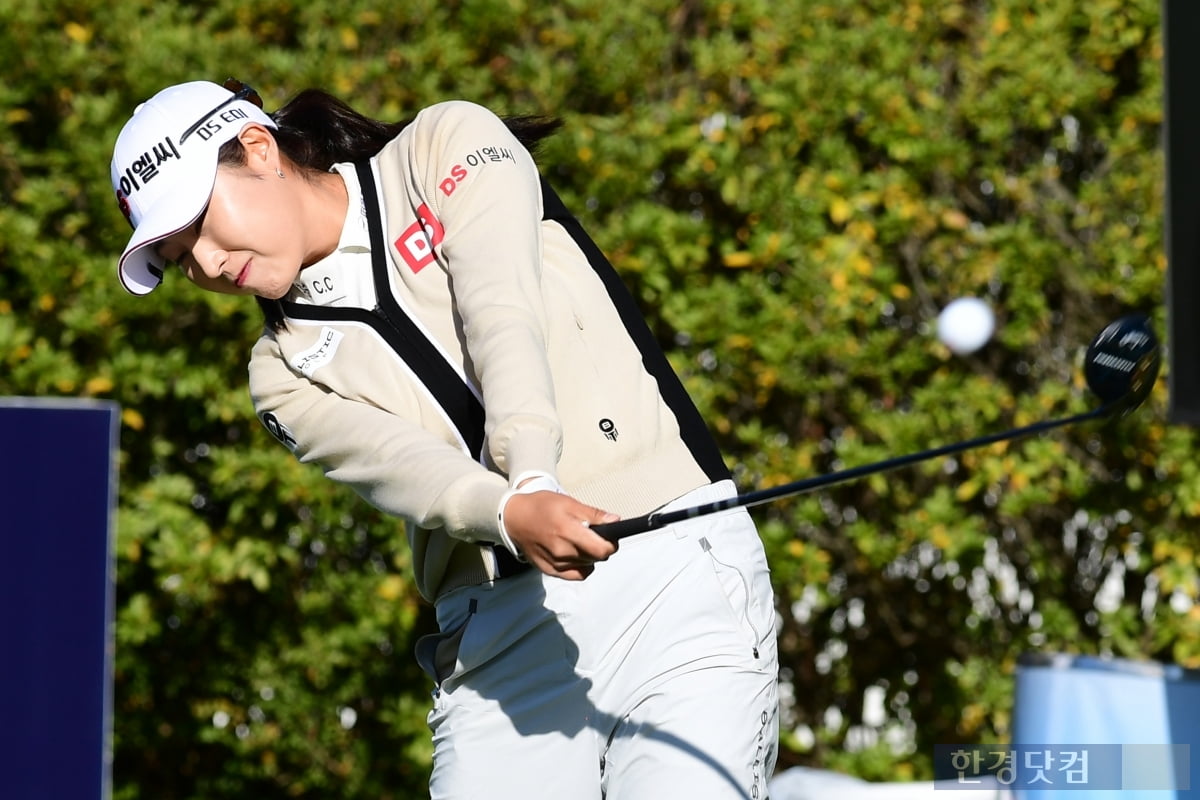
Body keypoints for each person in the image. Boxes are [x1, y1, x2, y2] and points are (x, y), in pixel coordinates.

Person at [110, 78, 779, 799]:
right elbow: (406, 468)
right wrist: (507, 513)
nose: (206, 264)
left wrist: (532, 476)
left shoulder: (442, 145)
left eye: (201, 223)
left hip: (671, 570)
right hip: (503, 639)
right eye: (181, 259)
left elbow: (503, 314)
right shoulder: (277, 373)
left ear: (259, 148)